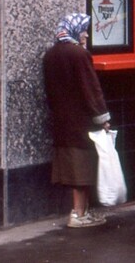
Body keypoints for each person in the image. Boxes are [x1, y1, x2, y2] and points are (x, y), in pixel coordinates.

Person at [42, 13, 111, 229]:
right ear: (74, 30)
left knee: (73, 168)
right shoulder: (79, 54)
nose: (86, 34)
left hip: (62, 122)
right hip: (81, 122)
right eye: (83, 30)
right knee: (82, 168)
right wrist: (103, 118)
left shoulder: (50, 54)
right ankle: (79, 214)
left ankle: (83, 212)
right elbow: (91, 89)